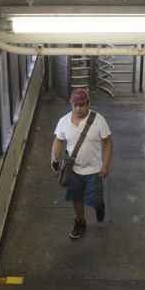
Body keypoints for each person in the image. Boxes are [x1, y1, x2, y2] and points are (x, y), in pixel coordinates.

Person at [51, 88, 113, 239]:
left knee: (94, 199)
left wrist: (105, 166)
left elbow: (108, 143)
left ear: (88, 103)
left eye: (82, 105)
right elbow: (58, 140)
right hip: (74, 170)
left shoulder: (99, 121)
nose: (78, 108)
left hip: (94, 171)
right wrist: (54, 157)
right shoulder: (64, 122)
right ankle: (80, 222)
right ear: (71, 104)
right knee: (77, 198)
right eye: (75, 105)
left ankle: (99, 205)